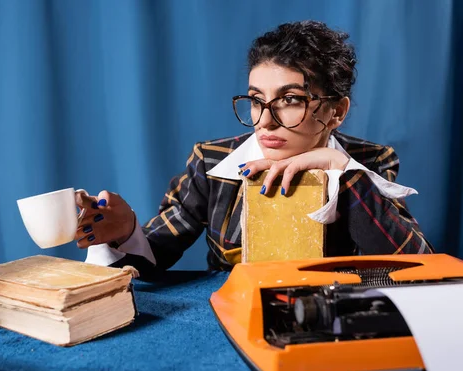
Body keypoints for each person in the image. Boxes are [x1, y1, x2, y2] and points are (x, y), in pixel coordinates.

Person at [75, 20, 434, 280]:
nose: (265, 121)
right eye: (256, 100)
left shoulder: (370, 162)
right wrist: (125, 232)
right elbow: (156, 254)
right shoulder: (212, 162)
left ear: (336, 111)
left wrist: (345, 173)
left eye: (290, 100)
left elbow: (417, 268)